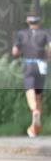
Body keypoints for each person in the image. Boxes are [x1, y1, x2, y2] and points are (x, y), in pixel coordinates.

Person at [12, 9, 51, 137]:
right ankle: (35, 129)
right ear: (39, 21)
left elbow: (15, 51)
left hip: (28, 64)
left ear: (28, 21)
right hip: (41, 65)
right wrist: (47, 57)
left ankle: (34, 111)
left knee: (30, 91)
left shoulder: (22, 33)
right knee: (38, 95)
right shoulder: (45, 32)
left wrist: (19, 52)